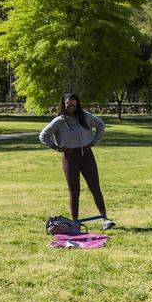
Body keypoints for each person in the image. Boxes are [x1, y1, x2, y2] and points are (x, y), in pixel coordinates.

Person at [38, 93, 115, 229]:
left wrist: (95, 141)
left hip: (87, 156)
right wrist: (56, 147)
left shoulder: (85, 116)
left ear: (77, 103)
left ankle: (104, 219)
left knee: (95, 187)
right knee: (74, 191)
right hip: (70, 157)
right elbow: (43, 135)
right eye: (68, 104)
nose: (71, 106)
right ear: (64, 104)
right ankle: (75, 223)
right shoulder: (59, 121)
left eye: (73, 103)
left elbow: (100, 124)